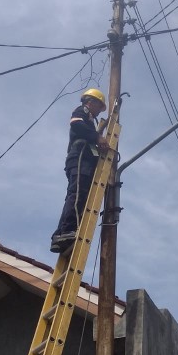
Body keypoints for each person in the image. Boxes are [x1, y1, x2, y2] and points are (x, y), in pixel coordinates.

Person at [50, 88, 110, 253]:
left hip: (83, 159)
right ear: (91, 102)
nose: (99, 111)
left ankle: (60, 235)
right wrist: (97, 137)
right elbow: (76, 124)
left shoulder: (89, 120)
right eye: (99, 107)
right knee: (77, 194)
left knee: (76, 195)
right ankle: (67, 230)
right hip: (79, 158)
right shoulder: (82, 111)